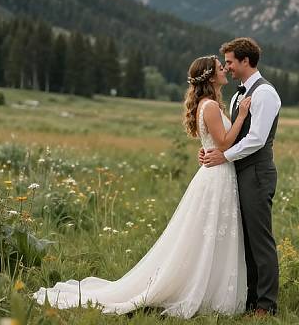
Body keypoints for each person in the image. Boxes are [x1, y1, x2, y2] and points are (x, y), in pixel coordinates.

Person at [31, 55, 251, 318]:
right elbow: (224, 143)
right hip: (216, 177)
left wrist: (209, 148)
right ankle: (196, 290)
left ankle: (209, 289)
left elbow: (213, 144)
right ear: (211, 77)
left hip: (218, 173)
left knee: (211, 235)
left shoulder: (211, 104)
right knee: (205, 235)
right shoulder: (211, 107)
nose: (225, 69)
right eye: (220, 68)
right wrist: (243, 116)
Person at [200, 37, 281, 316]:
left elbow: (257, 138)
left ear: (246, 61)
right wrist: (210, 151)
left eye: (231, 62)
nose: (227, 67)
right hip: (238, 173)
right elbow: (226, 137)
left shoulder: (265, 93)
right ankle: (249, 299)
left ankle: (266, 305)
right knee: (244, 240)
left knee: (260, 240)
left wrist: (225, 156)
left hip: (257, 173)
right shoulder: (236, 96)